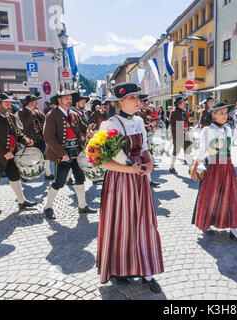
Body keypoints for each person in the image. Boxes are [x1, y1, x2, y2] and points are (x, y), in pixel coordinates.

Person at [96, 82, 164, 292]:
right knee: (122, 224)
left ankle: (146, 270)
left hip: (140, 179)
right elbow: (102, 161)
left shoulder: (139, 121)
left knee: (144, 223)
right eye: (133, 98)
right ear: (120, 102)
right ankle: (120, 268)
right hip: (120, 182)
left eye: (138, 98)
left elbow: (144, 149)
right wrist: (131, 170)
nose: (138, 101)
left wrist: (150, 164)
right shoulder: (109, 124)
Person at [191, 102, 237, 242]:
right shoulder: (208, 130)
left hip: (227, 166)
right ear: (213, 115)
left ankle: (233, 228)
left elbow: (228, 150)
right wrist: (195, 167)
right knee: (210, 196)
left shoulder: (227, 129)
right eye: (221, 113)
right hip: (214, 167)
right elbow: (202, 150)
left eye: (226, 113)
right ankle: (206, 222)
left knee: (231, 196)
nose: (224, 116)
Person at [42, 89, 96, 220]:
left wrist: (89, 132)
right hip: (63, 153)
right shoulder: (52, 115)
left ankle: (82, 206)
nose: (69, 99)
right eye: (66, 97)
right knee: (59, 182)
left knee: (80, 179)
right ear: (59, 100)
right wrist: (61, 153)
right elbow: (48, 136)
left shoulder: (74, 114)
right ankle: (47, 207)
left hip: (77, 151)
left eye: (70, 97)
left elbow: (82, 128)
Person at [0, 93, 38, 214]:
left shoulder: (10, 116)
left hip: (11, 154)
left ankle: (22, 201)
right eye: (6, 103)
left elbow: (16, 133)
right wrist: (4, 152)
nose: (9, 106)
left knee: (15, 177)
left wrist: (25, 140)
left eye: (10, 103)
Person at [18, 94, 54, 180]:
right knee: (29, 156)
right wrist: (33, 114)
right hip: (30, 138)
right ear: (30, 102)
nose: (37, 102)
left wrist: (40, 112)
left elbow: (44, 119)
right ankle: (25, 175)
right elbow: (25, 123)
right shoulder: (21, 111)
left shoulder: (37, 110)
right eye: (35, 101)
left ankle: (48, 174)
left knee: (45, 155)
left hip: (40, 136)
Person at [169, 95, 194, 175]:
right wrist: (182, 129)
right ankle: (172, 167)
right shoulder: (174, 112)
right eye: (183, 102)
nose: (185, 104)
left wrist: (192, 122)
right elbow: (173, 124)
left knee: (187, 150)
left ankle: (191, 168)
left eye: (184, 102)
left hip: (185, 135)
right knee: (176, 151)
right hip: (178, 135)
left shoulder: (184, 112)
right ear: (179, 104)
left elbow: (186, 122)